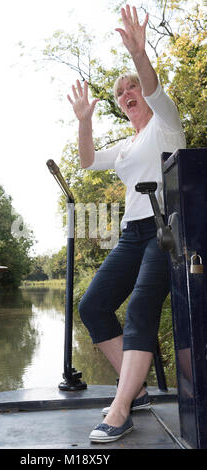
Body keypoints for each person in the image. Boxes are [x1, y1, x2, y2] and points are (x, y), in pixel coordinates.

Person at [67, 4, 186, 443]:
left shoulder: (166, 125)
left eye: (130, 88)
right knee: (93, 306)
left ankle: (120, 409)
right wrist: (84, 122)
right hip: (132, 234)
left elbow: (154, 89)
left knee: (139, 309)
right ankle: (132, 391)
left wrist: (139, 54)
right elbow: (85, 161)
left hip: (163, 230)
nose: (126, 94)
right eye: (120, 94)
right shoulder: (126, 145)